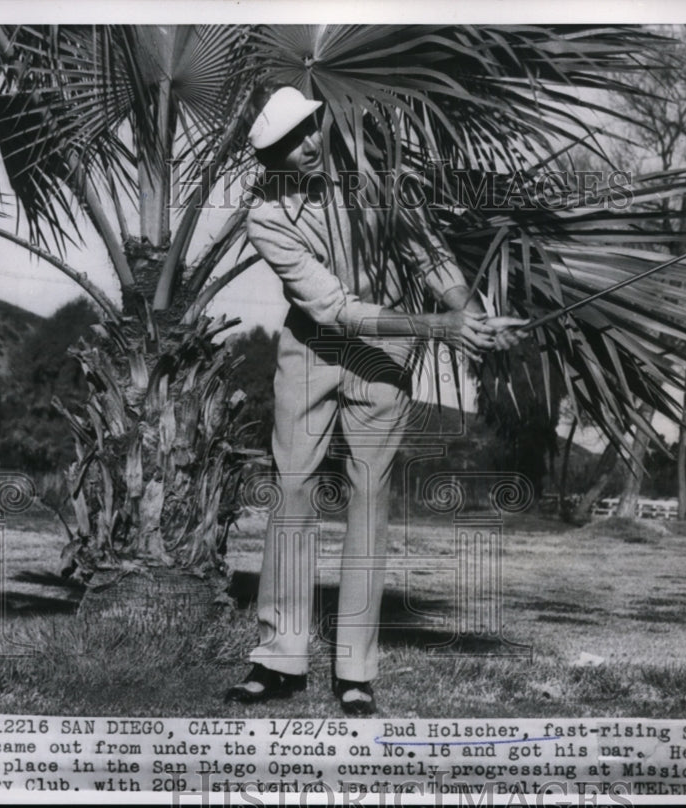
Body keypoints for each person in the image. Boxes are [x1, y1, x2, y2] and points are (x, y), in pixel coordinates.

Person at [225, 86, 523, 715]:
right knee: (294, 491)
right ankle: (278, 657)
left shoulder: (378, 179)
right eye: (289, 145)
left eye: (310, 130)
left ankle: (355, 671)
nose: (307, 147)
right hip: (311, 353)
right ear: (270, 157)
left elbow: (427, 253)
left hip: (384, 357)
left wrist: (467, 313)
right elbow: (331, 308)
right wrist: (438, 329)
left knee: (368, 498)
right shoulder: (266, 216)